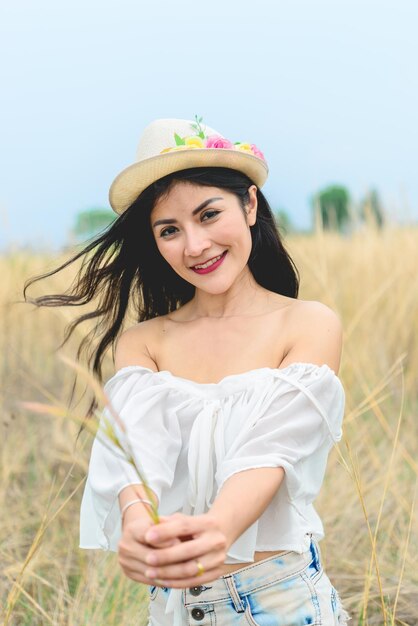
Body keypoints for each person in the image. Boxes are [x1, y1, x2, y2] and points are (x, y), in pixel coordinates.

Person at [25, 117, 351, 625]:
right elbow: (136, 458)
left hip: (278, 602)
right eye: (169, 230)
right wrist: (137, 526)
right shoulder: (144, 344)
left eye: (208, 214)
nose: (194, 246)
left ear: (249, 205)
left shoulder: (307, 324)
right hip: (175, 607)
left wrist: (219, 528)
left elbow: (269, 454)